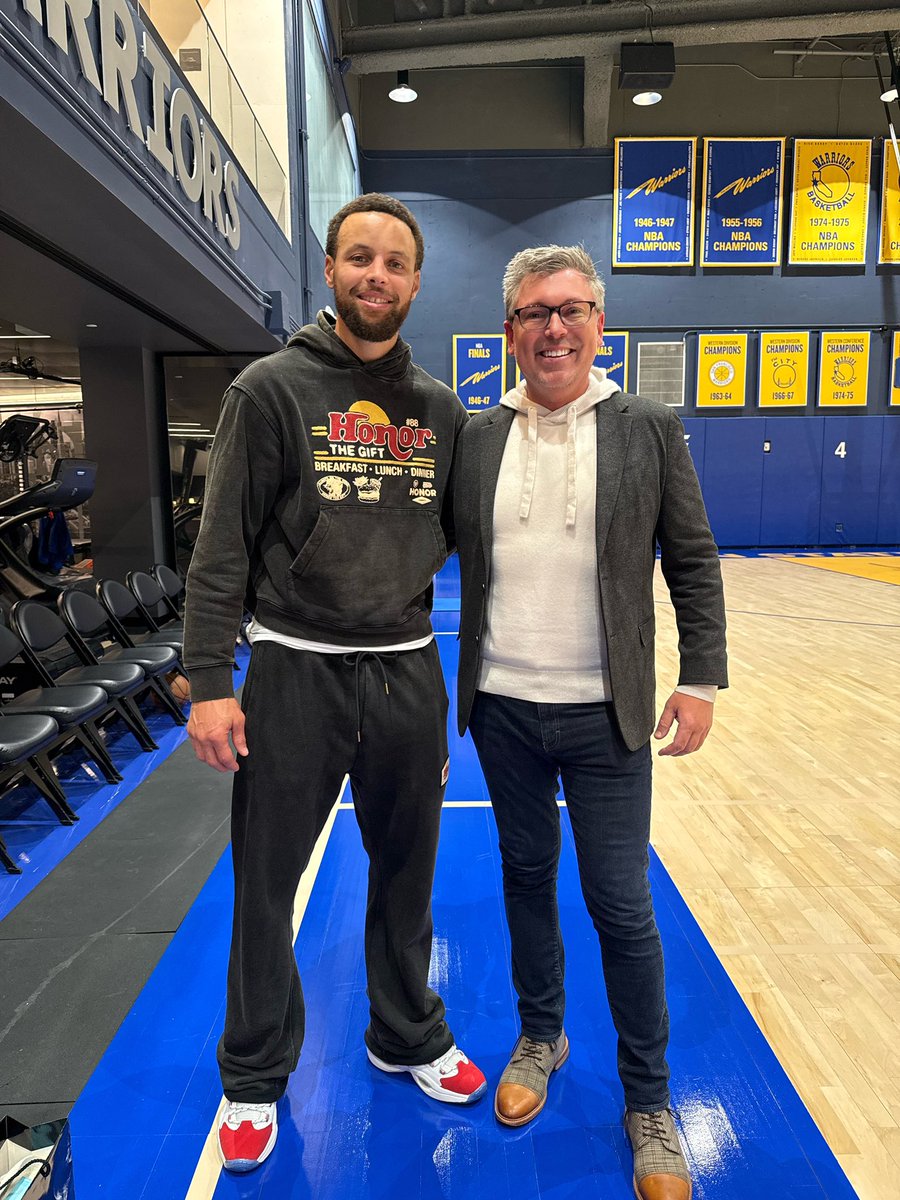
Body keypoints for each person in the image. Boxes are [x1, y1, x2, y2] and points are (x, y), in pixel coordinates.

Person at [183, 193, 486, 1175]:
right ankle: (254, 1075)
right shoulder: (269, 391)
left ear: (413, 282)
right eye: (360, 257)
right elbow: (221, 542)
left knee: (408, 873)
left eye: (395, 263)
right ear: (330, 269)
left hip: (404, 674)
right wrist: (208, 679)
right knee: (265, 886)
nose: (377, 275)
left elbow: (466, 542)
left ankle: (407, 1033)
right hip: (292, 674)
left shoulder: (440, 411)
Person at [453, 245, 727, 1200]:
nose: (554, 328)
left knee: (621, 905)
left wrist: (701, 680)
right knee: (526, 877)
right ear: (510, 334)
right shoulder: (477, 436)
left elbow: (692, 559)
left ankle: (649, 1101)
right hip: (503, 711)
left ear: (600, 324)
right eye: (535, 313)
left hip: (608, 719)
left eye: (571, 310)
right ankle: (541, 1035)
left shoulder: (649, 426)